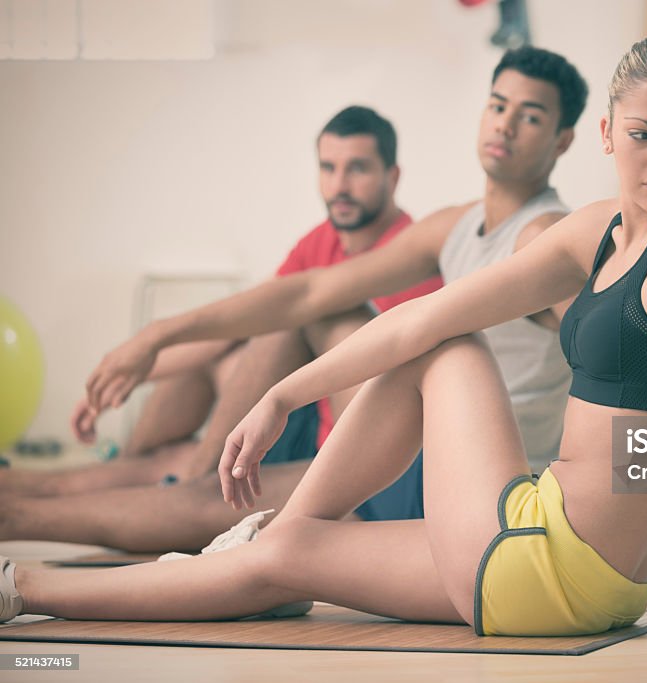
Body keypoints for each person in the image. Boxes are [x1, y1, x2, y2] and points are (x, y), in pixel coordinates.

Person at [4, 36, 647, 645]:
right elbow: (446, 318)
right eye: (644, 134)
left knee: (443, 352)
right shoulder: (593, 230)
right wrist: (277, 393)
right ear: (608, 134)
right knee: (283, 560)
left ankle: (274, 521)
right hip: (540, 544)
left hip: (548, 563)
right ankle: (22, 584)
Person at [0, 46, 647, 576]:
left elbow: (638, 381)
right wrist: (163, 333)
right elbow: (311, 290)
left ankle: (62, 510)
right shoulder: (453, 224)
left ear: (566, 142)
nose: (506, 124)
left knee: (201, 500)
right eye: (498, 104)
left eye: (530, 116)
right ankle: (57, 493)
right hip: (398, 450)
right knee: (183, 458)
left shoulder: (554, 238)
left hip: (456, 477)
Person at [0, 105, 442, 498]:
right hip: (302, 419)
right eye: (328, 168)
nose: (339, 184)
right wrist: (123, 377)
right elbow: (238, 325)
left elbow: (384, 400)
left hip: (345, 446)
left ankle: (192, 486)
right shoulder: (321, 240)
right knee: (165, 438)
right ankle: (154, 473)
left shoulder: (409, 258)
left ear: (393, 176)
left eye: (357, 169)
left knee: (270, 333)